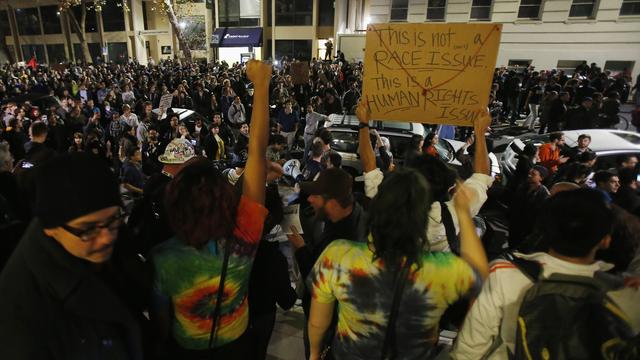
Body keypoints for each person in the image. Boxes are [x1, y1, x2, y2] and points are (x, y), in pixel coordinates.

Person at [149, 60, 271, 359]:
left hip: (187, 349)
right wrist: (262, 86)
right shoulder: (246, 231)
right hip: (239, 345)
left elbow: (160, 322)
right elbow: (257, 150)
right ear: (224, 196)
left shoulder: (163, 258)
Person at [308, 168, 489, 360]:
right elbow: (480, 275)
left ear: (376, 209)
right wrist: (463, 212)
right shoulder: (442, 269)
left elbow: (318, 323)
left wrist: (314, 353)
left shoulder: (338, 256)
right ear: (422, 217)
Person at [451, 189, 640, 359]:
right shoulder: (627, 296)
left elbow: (470, 349)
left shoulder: (505, 273)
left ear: (544, 229)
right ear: (606, 239)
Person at [0, 152, 143, 359]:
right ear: (51, 228)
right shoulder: (20, 317)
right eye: (88, 229)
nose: (105, 238)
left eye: (113, 219)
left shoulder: (109, 243)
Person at [359, 100, 493, 253]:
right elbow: (482, 177)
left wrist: (364, 124)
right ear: (445, 191)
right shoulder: (451, 215)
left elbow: (369, 165)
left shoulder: (385, 201)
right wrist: (480, 133)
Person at [509, 166, 550, 249]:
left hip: (527, 228)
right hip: (515, 223)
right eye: (529, 173)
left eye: (533, 174)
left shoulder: (544, 194)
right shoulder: (523, 186)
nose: (529, 175)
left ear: (541, 178)